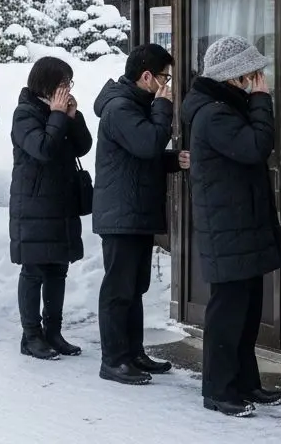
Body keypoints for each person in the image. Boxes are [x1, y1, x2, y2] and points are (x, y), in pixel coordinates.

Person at [182, 35, 281, 418]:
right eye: (252, 73)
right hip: (227, 227)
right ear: (234, 76)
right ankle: (219, 389)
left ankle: (246, 382)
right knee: (227, 314)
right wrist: (262, 102)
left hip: (241, 224)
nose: (258, 79)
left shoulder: (226, 106)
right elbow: (255, 147)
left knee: (246, 312)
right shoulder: (215, 114)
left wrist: (255, 101)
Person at [93, 44, 186, 385]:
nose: (167, 84)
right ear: (146, 77)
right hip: (121, 214)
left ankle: (133, 353)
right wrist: (163, 106)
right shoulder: (120, 108)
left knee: (134, 287)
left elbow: (140, 156)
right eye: (165, 77)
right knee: (119, 290)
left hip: (133, 209)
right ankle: (114, 359)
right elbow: (147, 143)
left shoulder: (135, 104)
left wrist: (173, 160)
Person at [9, 57, 93, 360]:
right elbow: (43, 148)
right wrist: (57, 115)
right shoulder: (25, 114)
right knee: (34, 270)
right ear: (45, 83)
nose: (66, 89)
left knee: (59, 269)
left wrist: (72, 116)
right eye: (62, 83)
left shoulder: (56, 111)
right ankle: (30, 335)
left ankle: (53, 332)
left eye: (68, 84)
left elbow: (82, 147)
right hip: (33, 204)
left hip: (61, 202)